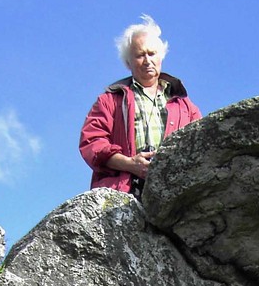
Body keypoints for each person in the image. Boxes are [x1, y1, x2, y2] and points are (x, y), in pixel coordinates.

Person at [79, 15, 202, 196]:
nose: (147, 60)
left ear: (161, 56)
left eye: (152, 53)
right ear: (128, 62)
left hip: (174, 192)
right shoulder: (110, 99)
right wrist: (130, 164)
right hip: (123, 191)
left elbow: (200, 146)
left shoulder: (185, 106)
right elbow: (92, 142)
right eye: (139, 55)